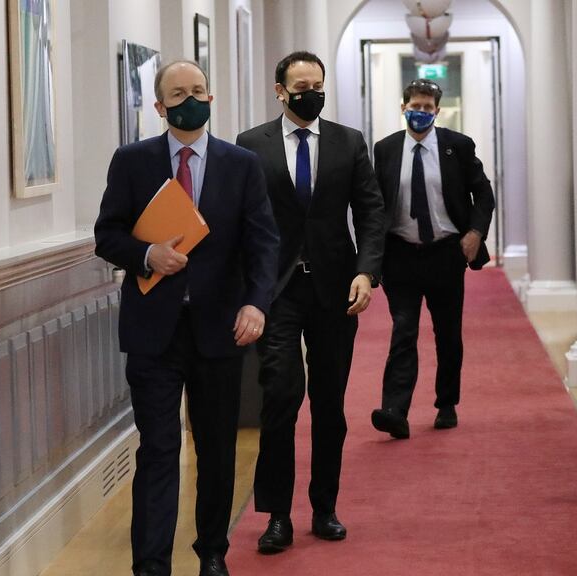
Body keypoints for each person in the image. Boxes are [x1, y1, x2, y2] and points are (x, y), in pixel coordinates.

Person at [94, 60, 279, 576]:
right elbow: (106, 235)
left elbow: (264, 244)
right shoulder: (131, 161)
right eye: (177, 93)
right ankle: (151, 565)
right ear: (159, 106)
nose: (189, 99)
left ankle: (212, 553)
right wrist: (147, 255)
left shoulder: (240, 164)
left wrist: (255, 303)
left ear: (211, 98)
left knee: (217, 449)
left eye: (198, 90)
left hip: (220, 329)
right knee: (158, 449)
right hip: (153, 333)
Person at [235, 51, 386, 554]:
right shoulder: (251, 145)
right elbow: (244, 223)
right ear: (280, 90)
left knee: (329, 403)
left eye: (317, 85)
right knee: (280, 396)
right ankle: (277, 514)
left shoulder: (348, 142)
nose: (311, 93)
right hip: (276, 291)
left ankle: (325, 506)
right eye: (301, 86)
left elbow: (370, 213)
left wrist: (367, 271)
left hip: (335, 289)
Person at [368, 79, 495, 440]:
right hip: (401, 255)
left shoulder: (458, 147)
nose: (420, 112)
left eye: (427, 108)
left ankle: (446, 403)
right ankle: (395, 409)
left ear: (437, 111)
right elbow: (376, 205)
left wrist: (475, 233)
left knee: (447, 332)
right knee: (403, 329)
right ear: (403, 106)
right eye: (415, 106)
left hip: (445, 254)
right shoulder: (386, 149)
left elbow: (483, 195)